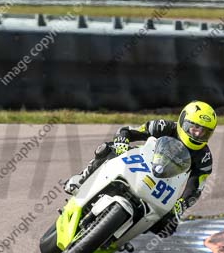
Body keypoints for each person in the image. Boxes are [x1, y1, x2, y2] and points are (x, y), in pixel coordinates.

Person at [63, 100, 216, 237]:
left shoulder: (204, 157)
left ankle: (128, 233)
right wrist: (122, 140)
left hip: (165, 185)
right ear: (184, 122)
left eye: (204, 131)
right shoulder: (164, 126)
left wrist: (182, 203)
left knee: (168, 228)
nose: (198, 134)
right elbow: (129, 131)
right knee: (108, 149)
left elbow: (196, 186)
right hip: (141, 164)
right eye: (195, 128)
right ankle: (82, 178)